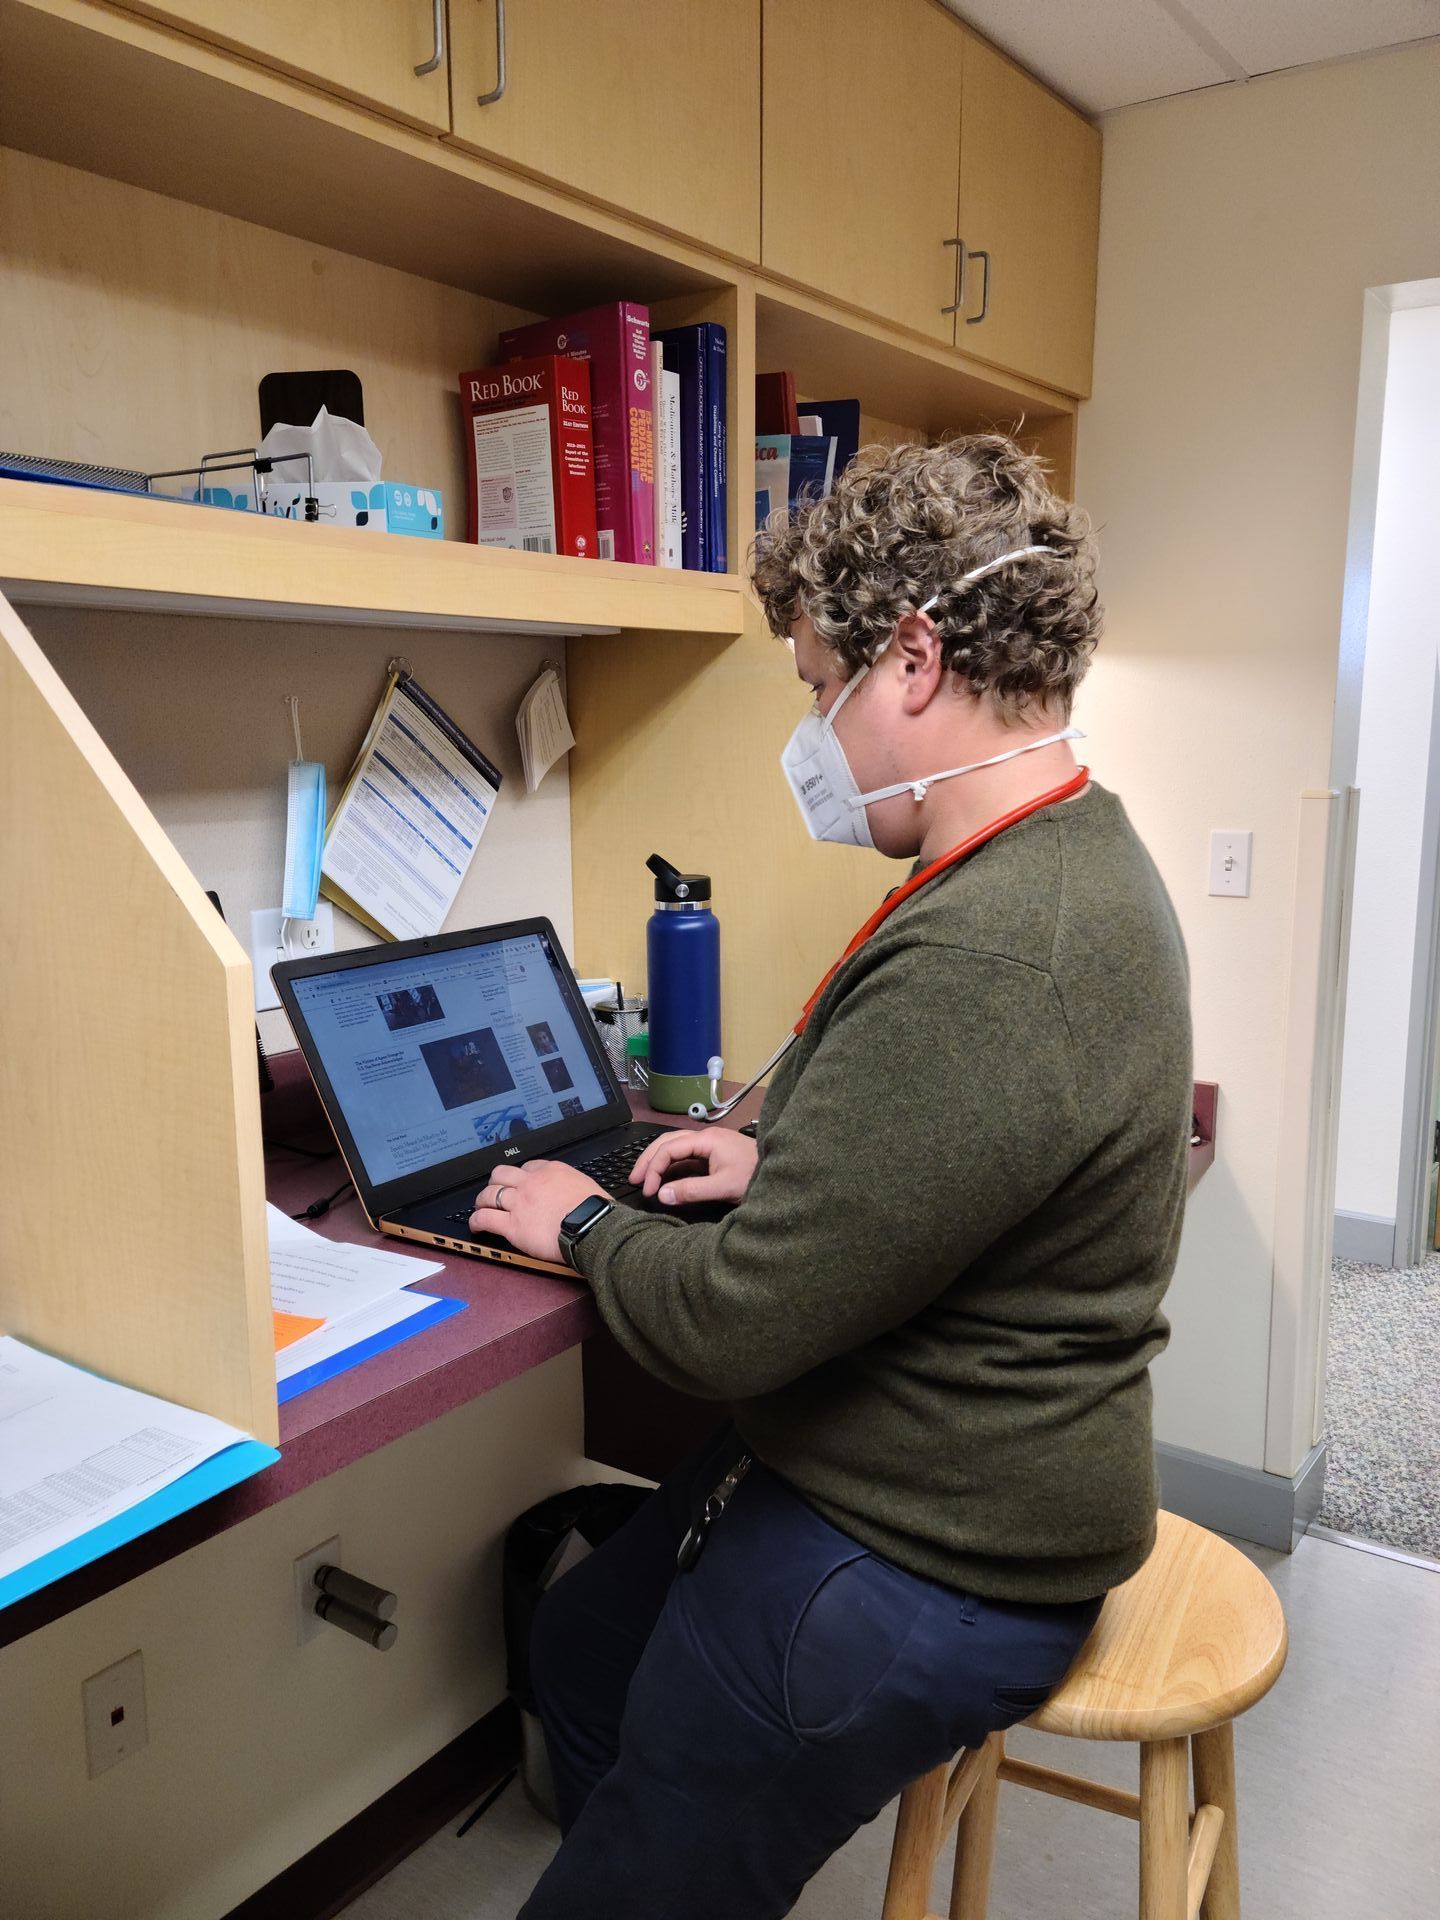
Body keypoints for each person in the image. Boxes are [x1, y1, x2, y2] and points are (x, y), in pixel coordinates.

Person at [470, 435, 1193, 1918]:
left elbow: (731, 1323)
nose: (811, 728)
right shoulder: (1058, 855)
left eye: (815, 686)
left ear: (914, 658)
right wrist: (778, 1151)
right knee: (584, 1653)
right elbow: (943, 1149)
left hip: (941, 1547)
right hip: (937, 1473)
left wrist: (585, 1217)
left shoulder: (1000, 947)